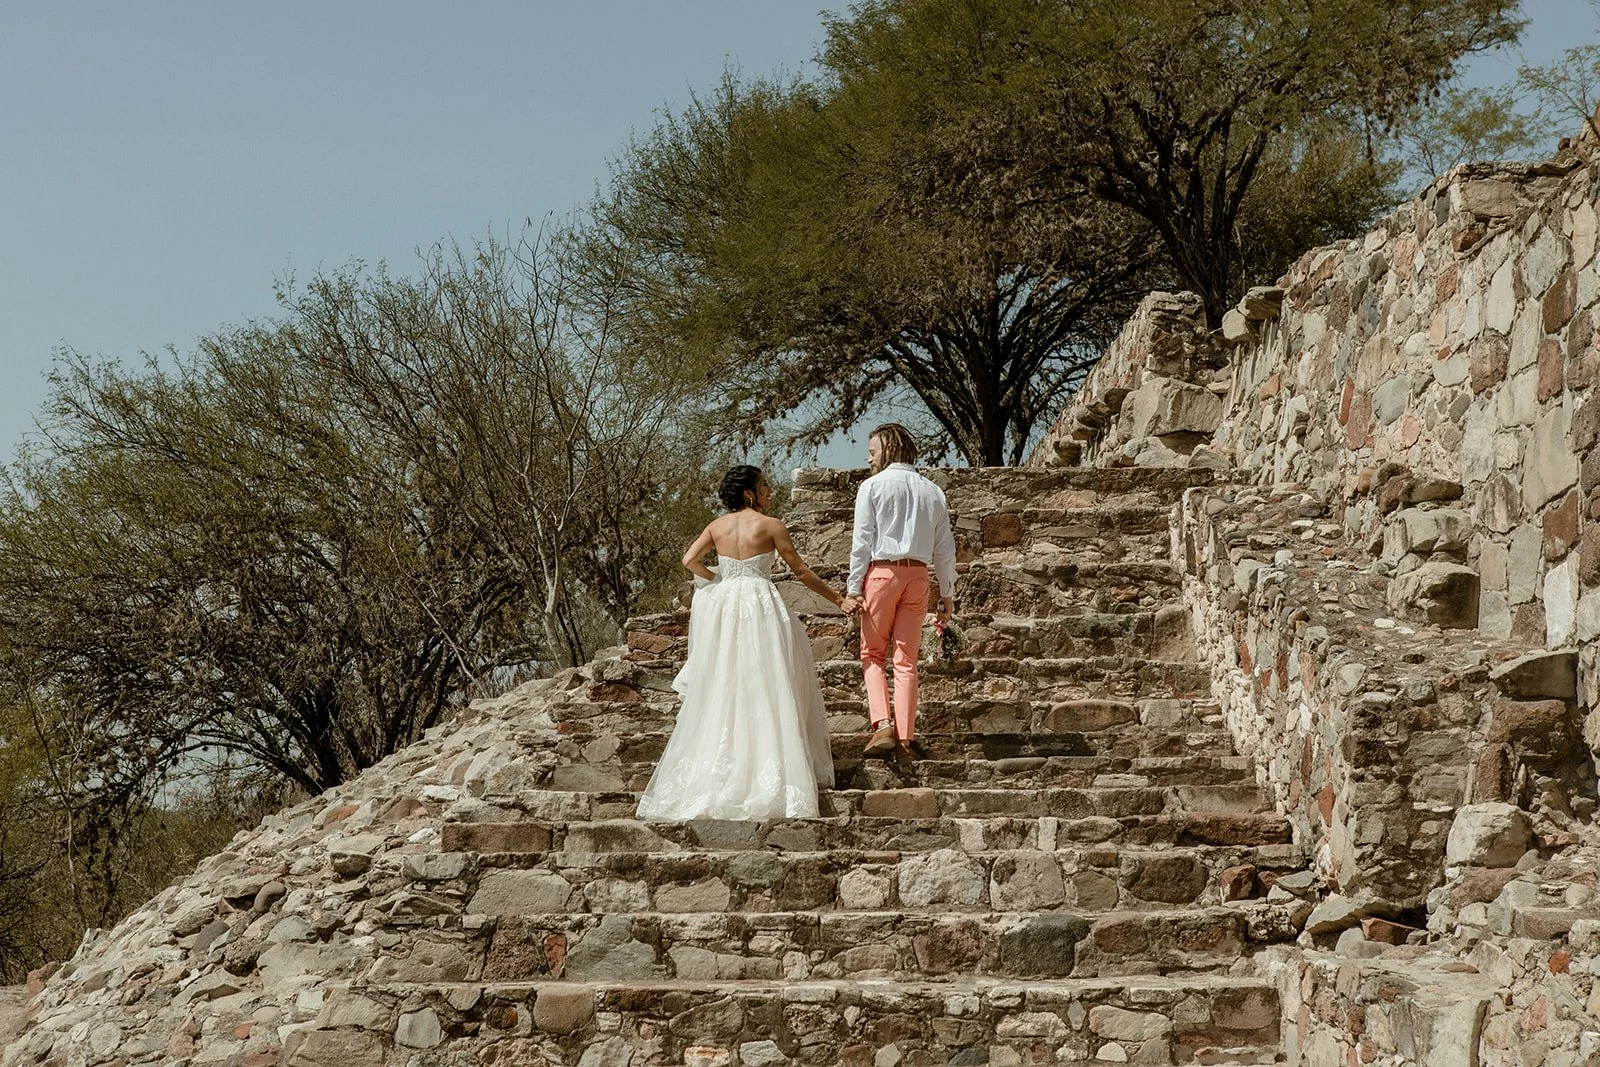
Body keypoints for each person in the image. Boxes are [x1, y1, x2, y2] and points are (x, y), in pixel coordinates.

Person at [636, 465, 839, 821]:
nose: (769, 491)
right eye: (763, 486)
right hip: (760, 604)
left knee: (726, 684)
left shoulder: (717, 527)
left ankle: (722, 769)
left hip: (727, 609)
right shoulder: (772, 525)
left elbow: (689, 561)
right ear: (749, 493)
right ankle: (772, 767)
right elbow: (802, 572)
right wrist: (839, 599)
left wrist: (719, 578)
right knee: (770, 681)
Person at [839, 424, 956, 759]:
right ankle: (906, 737)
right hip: (918, 576)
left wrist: (853, 587)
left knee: (872, 654)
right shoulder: (933, 491)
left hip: (881, 575)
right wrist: (947, 594)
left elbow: (861, 543)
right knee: (906, 660)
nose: (868, 458)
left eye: (873, 451)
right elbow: (945, 549)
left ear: (889, 449)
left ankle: (882, 725)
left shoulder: (872, 487)